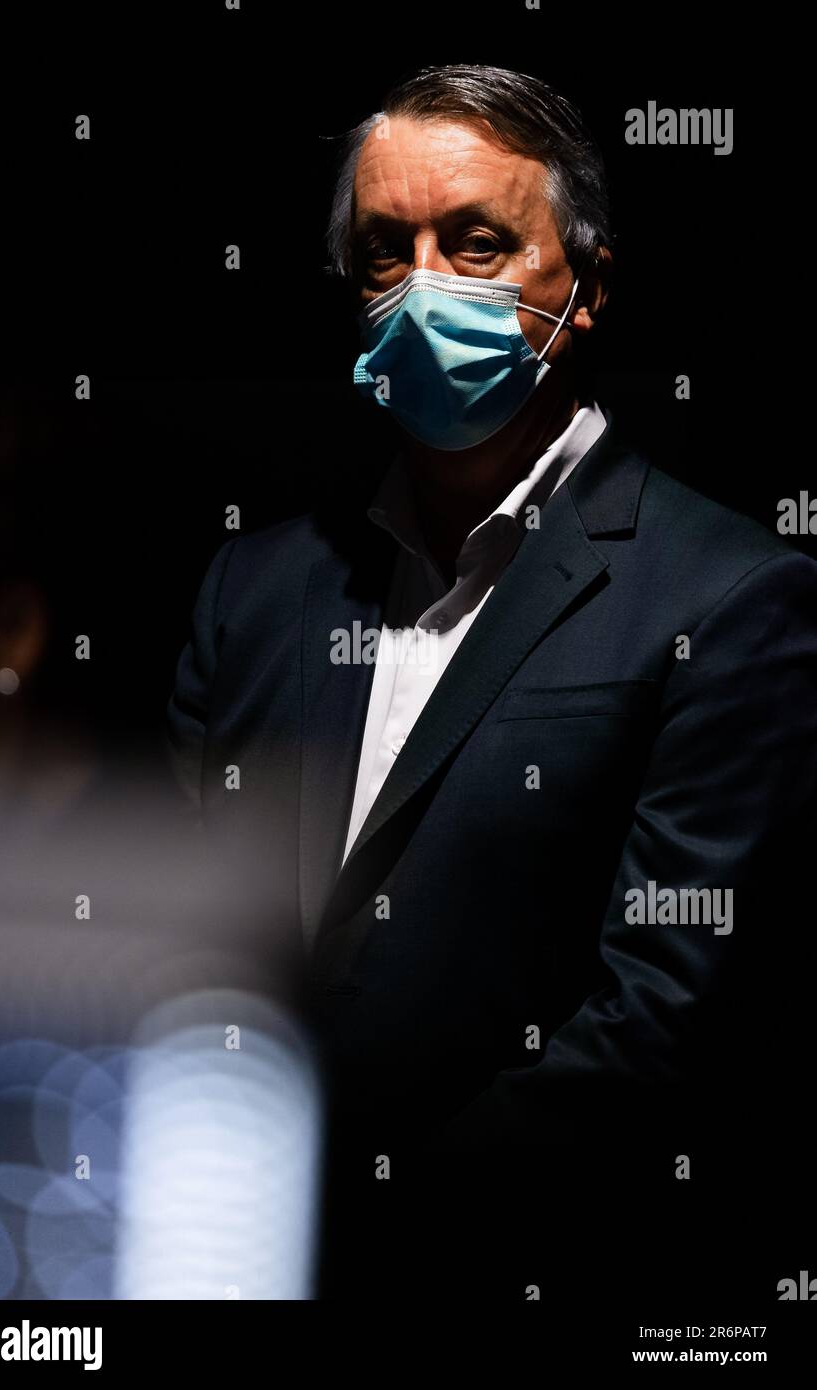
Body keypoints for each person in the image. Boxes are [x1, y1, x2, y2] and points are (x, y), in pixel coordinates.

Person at [165, 65, 817, 1301]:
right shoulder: (248, 591)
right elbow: (178, 944)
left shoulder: (726, 596)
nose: (423, 289)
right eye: (382, 253)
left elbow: (660, 1020)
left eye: (474, 244)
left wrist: (363, 1233)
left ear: (585, 287)